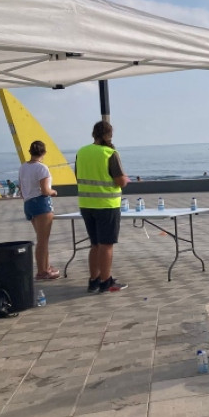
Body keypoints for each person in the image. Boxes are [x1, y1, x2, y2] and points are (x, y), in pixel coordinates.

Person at [76, 121, 130, 293]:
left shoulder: (82, 152)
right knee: (106, 245)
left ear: (93, 134)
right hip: (107, 205)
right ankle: (106, 281)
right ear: (110, 135)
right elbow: (120, 181)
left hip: (86, 204)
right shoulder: (110, 153)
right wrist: (125, 179)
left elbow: (78, 175)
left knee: (95, 245)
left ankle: (94, 280)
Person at [18, 141, 60, 280]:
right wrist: (54, 192)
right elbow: (45, 190)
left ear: (30, 152)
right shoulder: (42, 168)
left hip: (28, 203)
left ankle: (46, 267)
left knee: (42, 239)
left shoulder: (23, 167)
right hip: (41, 203)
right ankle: (42, 271)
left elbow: (21, 188)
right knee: (43, 240)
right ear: (44, 153)